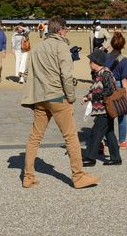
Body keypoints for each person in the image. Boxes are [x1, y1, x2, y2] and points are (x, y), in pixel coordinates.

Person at [20, 17, 99, 189]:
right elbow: (67, 75)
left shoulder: (38, 47)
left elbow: (26, 74)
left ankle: (28, 176)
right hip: (57, 96)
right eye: (66, 29)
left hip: (39, 97)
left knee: (35, 137)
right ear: (61, 29)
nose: (67, 31)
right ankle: (78, 176)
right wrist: (71, 97)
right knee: (71, 137)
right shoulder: (61, 46)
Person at [81, 49, 122, 167]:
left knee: (96, 133)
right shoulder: (99, 73)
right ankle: (116, 158)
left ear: (95, 62)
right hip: (104, 109)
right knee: (109, 133)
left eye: (91, 61)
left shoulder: (105, 73)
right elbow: (97, 89)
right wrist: (88, 96)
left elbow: (108, 90)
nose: (89, 63)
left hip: (105, 110)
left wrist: (90, 96)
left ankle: (90, 158)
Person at [108, 31, 127, 148]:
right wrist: (125, 95)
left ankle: (109, 138)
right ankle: (122, 141)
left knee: (108, 114)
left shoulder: (105, 57)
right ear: (123, 46)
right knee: (122, 114)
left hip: (107, 86)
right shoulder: (124, 60)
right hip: (118, 86)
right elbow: (124, 80)